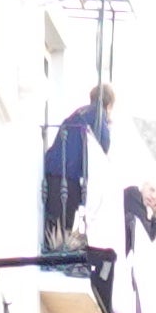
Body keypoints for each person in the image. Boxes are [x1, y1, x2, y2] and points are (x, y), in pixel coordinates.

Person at [43, 79, 120, 253]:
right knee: (64, 224)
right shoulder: (98, 114)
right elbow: (104, 146)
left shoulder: (78, 112)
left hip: (53, 169)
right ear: (109, 105)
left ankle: (53, 248)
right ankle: (58, 252)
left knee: (53, 221)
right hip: (68, 175)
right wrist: (108, 123)